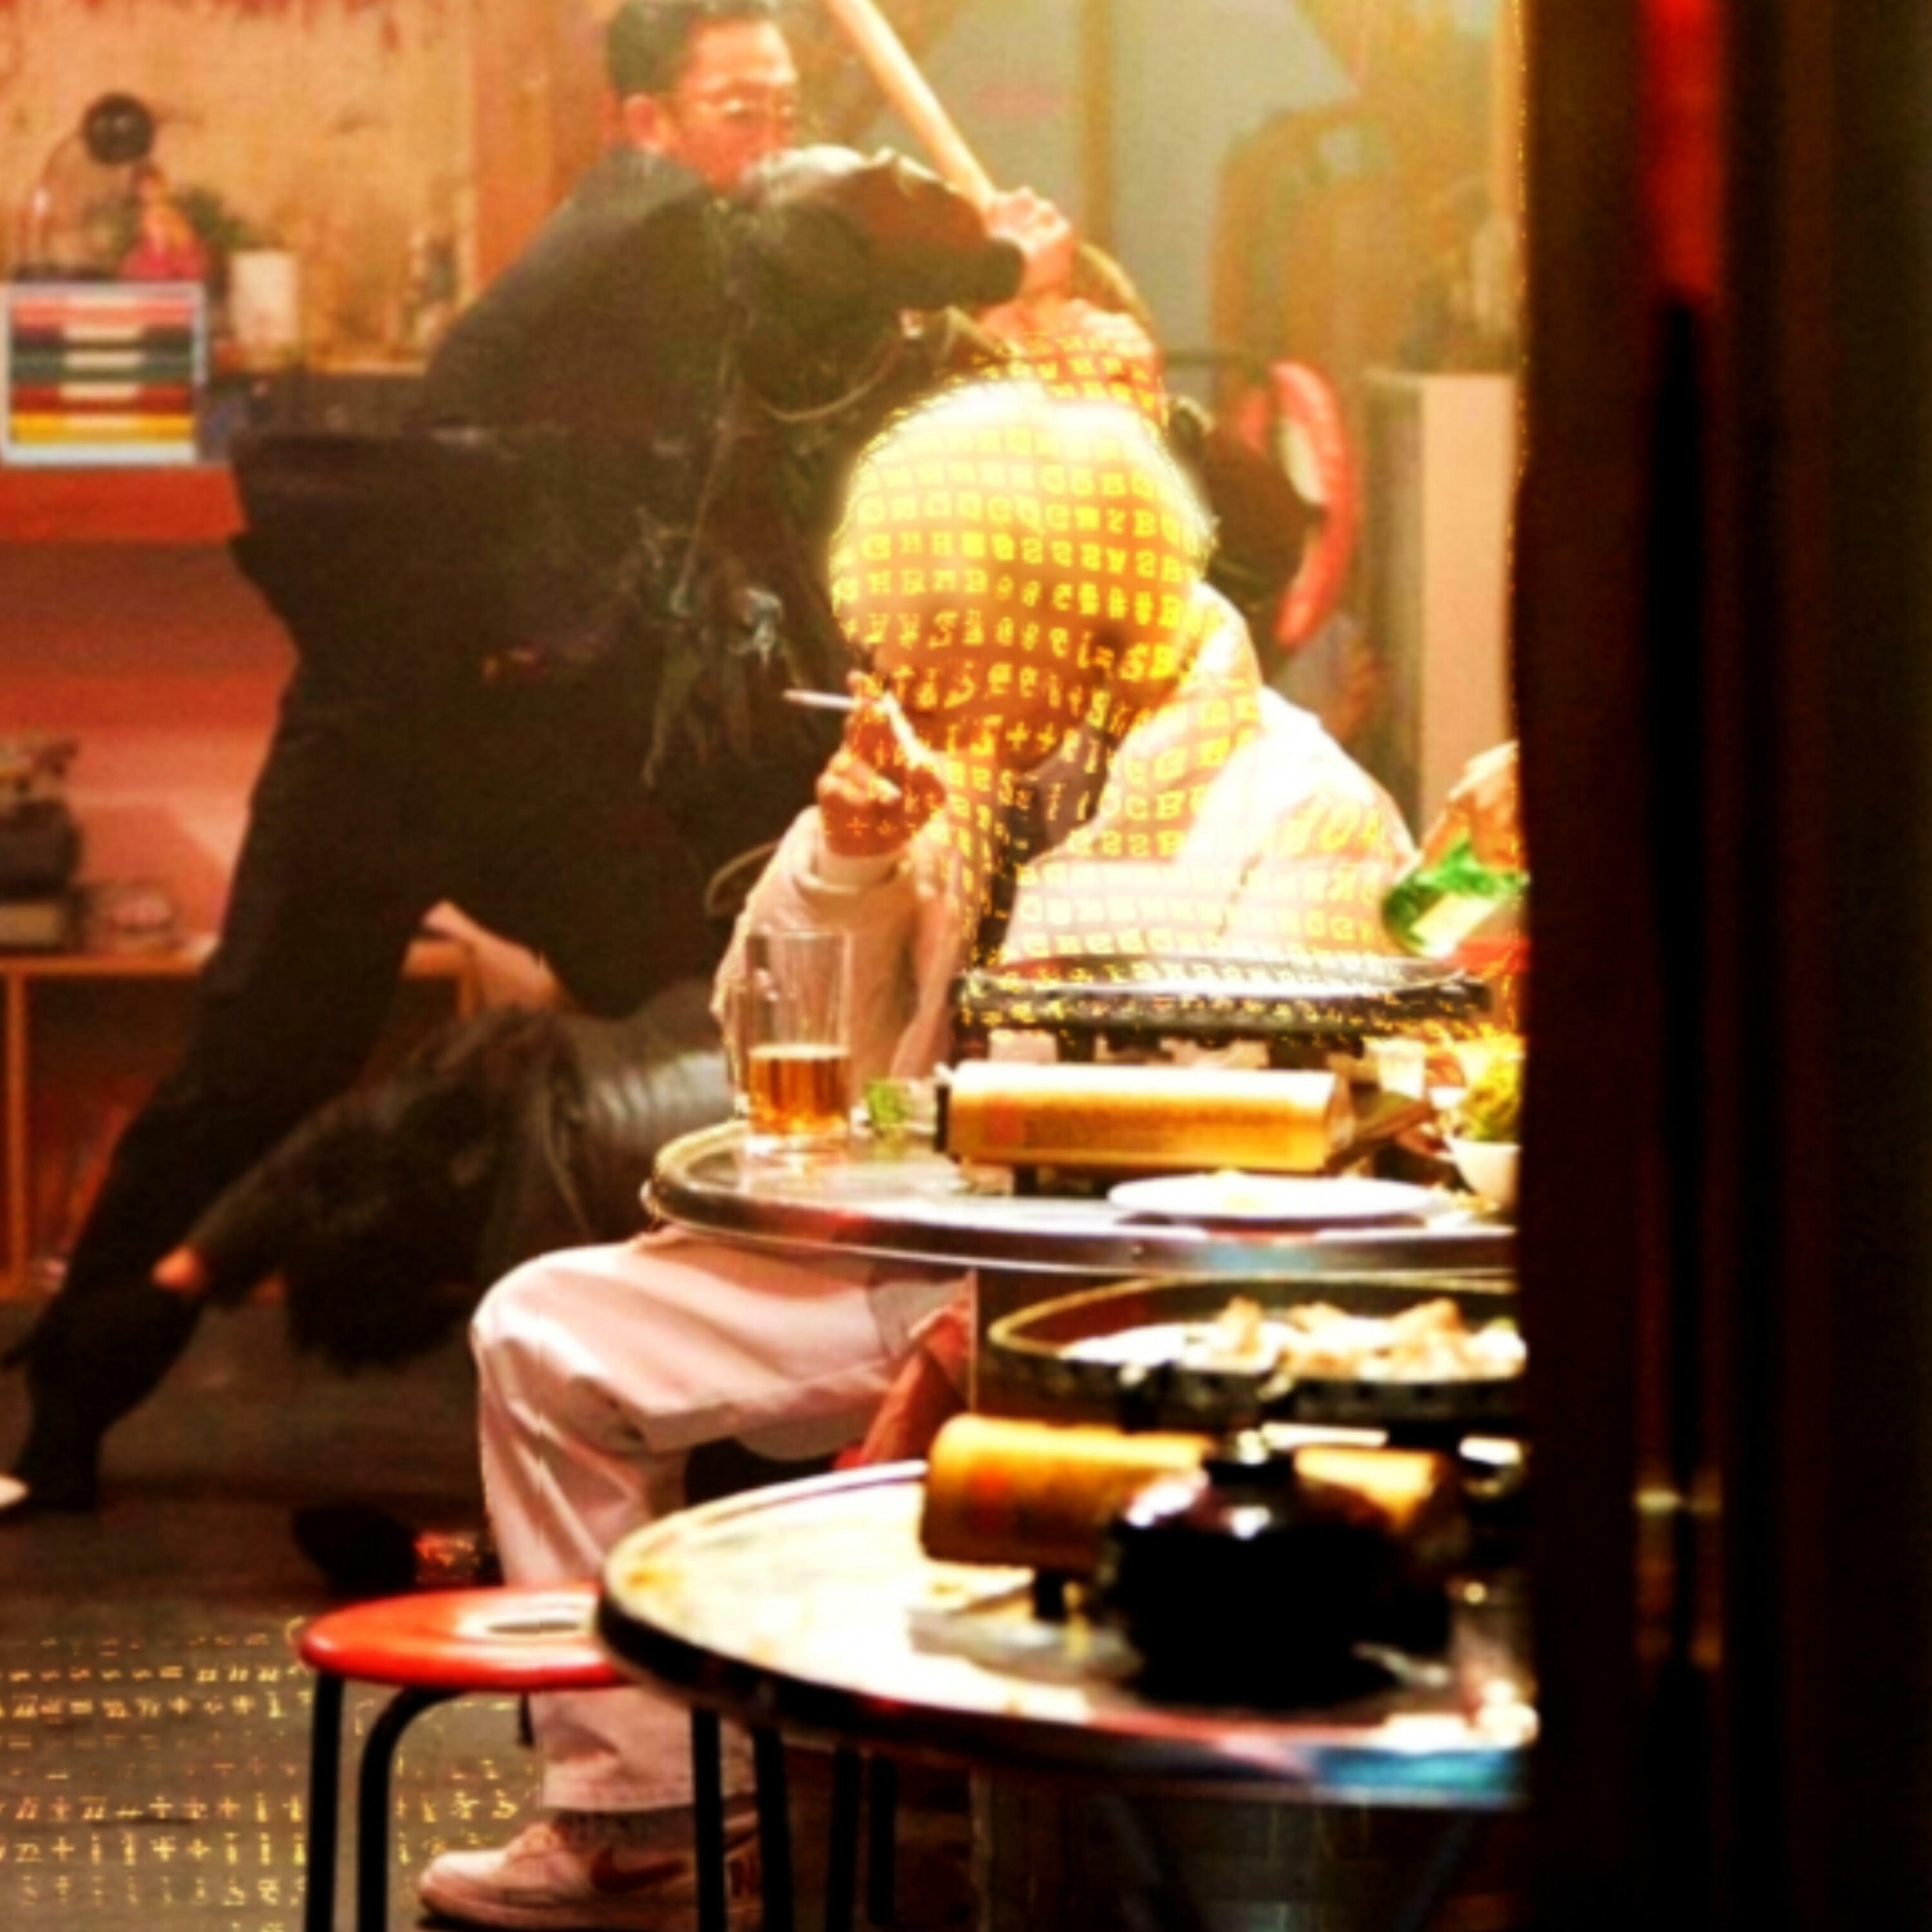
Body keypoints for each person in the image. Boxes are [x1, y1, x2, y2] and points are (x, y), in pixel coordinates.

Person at [0, 0, 1083, 1520]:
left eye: (783, 107)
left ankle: (681, 1411)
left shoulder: (737, 293)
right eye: (736, 107)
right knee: (255, 1070)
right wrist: (996, 263)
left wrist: (995, 323)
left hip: (549, 753)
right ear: (644, 125)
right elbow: (803, 238)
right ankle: (66, 1401)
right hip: (388, 735)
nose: (769, 136)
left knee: (714, 1002)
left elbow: (825, 315)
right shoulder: (641, 225)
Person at [412, 368, 1413, 1931]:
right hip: (899, 1255)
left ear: (1069, 601)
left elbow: (1261, 1159)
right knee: (549, 1327)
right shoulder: (986, 761)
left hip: (1106, 1309)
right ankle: (646, 1818)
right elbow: (763, 1027)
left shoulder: (1297, 809)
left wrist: (965, 1336)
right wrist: (848, 860)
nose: (906, 665)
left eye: (942, 622)